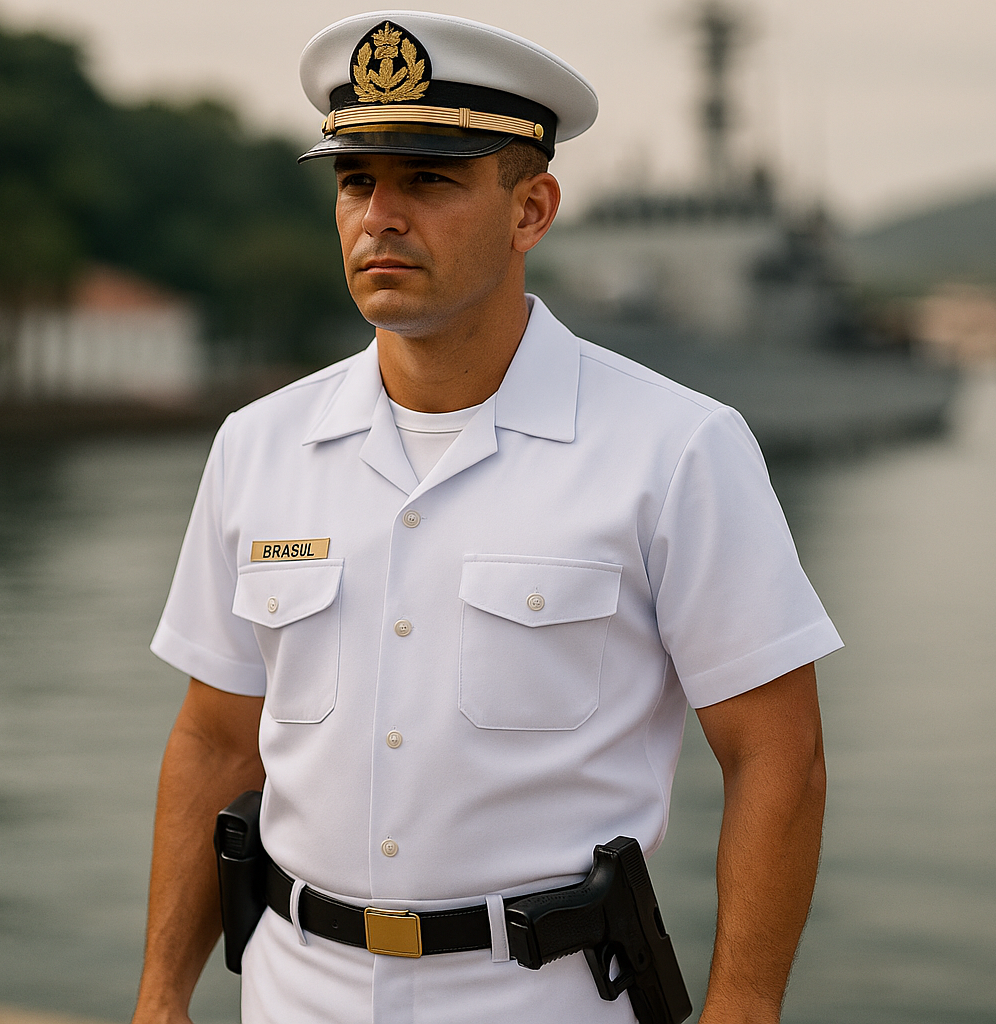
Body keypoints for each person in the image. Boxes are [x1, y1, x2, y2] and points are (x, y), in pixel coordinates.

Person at [133, 11, 841, 1024]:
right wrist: (160, 996)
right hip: (296, 994)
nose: (380, 214)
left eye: (429, 179)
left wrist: (743, 1007)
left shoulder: (676, 448)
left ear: (532, 210)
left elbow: (778, 751)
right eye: (354, 181)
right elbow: (213, 741)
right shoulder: (258, 445)